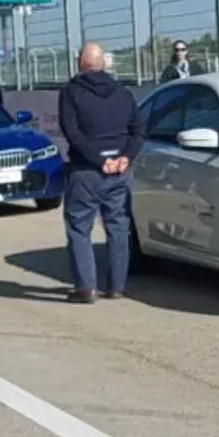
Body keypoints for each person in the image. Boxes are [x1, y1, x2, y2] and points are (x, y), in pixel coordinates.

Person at [57, 42, 143, 303]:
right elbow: (138, 130)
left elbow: (72, 132)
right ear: (103, 63)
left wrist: (97, 159)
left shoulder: (71, 92)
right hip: (119, 171)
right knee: (118, 226)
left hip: (85, 171)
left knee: (79, 228)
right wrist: (124, 157)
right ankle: (116, 286)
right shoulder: (123, 93)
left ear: (79, 62)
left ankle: (86, 288)